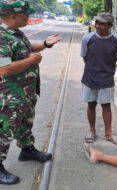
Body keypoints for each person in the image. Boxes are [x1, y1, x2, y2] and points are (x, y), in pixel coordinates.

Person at [0, 0, 62, 185]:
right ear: (13, 16)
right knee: (4, 131)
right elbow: (4, 68)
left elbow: (27, 49)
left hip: (25, 93)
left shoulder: (15, 33)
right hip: (10, 97)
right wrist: (32, 60)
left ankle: (27, 150)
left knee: (25, 124)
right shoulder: (2, 37)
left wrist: (45, 43)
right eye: (26, 14)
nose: (29, 17)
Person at [80, 12, 117, 145]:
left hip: (106, 79)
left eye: (101, 24)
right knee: (91, 104)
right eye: (96, 22)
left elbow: (115, 59)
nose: (97, 26)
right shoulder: (87, 38)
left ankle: (108, 133)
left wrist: (104, 69)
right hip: (89, 78)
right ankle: (92, 131)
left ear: (110, 25)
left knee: (106, 106)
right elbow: (85, 58)